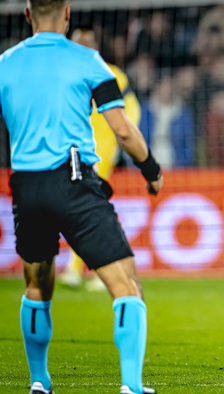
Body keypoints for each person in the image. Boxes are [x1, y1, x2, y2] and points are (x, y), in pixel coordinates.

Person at [0, 1, 163, 393]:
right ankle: (131, 386)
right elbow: (123, 130)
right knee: (126, 285)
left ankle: (39, 381)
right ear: (68, 13)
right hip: (74, 183)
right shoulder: (88, 60)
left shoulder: (5, 62)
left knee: (37, 287)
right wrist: (151, 169)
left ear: (27, 13)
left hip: (26, 187)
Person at [58, 26, 142, 292]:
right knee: (86, 210)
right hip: (69, 151)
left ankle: (84, 270)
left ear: (95, 46)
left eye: (86, 43)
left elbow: (133, 108)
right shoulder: (64, 74)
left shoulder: (112, 74)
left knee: (88, 209)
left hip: (100, 152)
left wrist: (123, 143)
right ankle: (96, 269)